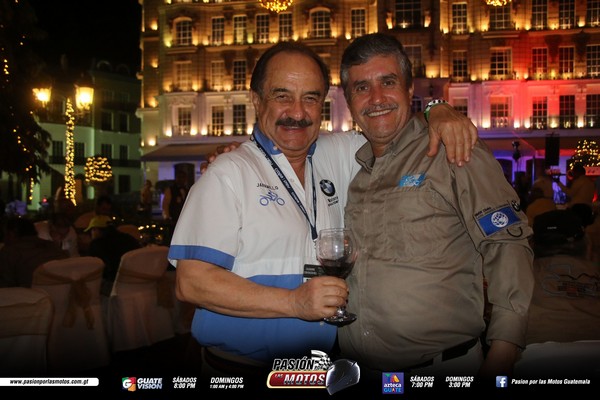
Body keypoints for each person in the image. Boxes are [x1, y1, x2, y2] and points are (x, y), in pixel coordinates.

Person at [168, 40, 478, 383]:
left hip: (318, 370)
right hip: (241, 371)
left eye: (311, 98)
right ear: (257, 100)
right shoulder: (228, 173)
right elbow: (191, 283)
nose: (297, 112)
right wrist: (294, 303)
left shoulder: (341, 153)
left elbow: (393, 124)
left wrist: (437, 109)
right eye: (282, 96)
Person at [336, 33, 534, 387]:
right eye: (362, 87)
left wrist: (503, 354)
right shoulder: (356, 171)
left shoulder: (452, 148)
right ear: (349, 101)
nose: (376, 98)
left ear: (409, 89)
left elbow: (507, 244)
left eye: (388, 82)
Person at [516, 209, 600, 379]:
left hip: (539, 355)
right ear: (586, 243)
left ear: (532, 244)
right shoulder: (596, 271)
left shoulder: (520, 274)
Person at [0, 217, 69, 288]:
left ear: (11, 234)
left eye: (5, 235)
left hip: (32, 293)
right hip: (66, 290)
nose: (4, 239)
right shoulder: (54, 246)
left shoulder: (9, 251)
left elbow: (5, 285)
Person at [85, 215, 141, 295]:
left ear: (96, 229)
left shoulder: (96, 244)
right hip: (135, 282)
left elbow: (92, 268)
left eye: (92, 230)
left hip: (112, 286)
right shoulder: (129, 239)